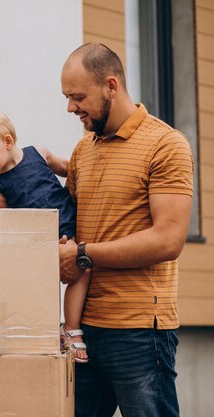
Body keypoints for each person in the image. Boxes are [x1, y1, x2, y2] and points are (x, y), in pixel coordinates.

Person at [59, 43, 194, 417]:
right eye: (67, 98)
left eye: (78, 97)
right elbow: (70, 225)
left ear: (111, 86)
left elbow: (168, 240)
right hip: (82, 332)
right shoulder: (83, 151)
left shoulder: (166, 145)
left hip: (140, 332)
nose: (71, 107)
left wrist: (81, 253)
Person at [0, 106, 90, 363]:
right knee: (41, 286)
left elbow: (69, 169)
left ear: (8, 141)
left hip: (71, 228)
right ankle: (51, 332)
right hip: (39, 244)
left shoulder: (39, 154)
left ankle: (71, 328)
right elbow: (10, 227)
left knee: (83, 271)